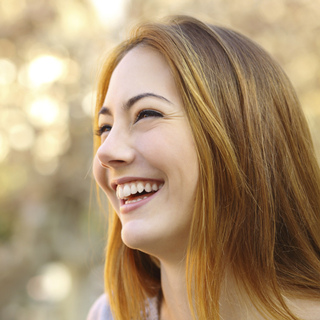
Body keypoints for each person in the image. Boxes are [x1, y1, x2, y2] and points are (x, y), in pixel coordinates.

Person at [88, 15, 320, 320]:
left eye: (145, 114)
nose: (106, 151)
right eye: (105, 128)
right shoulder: (109, 314)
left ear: (242, 136)